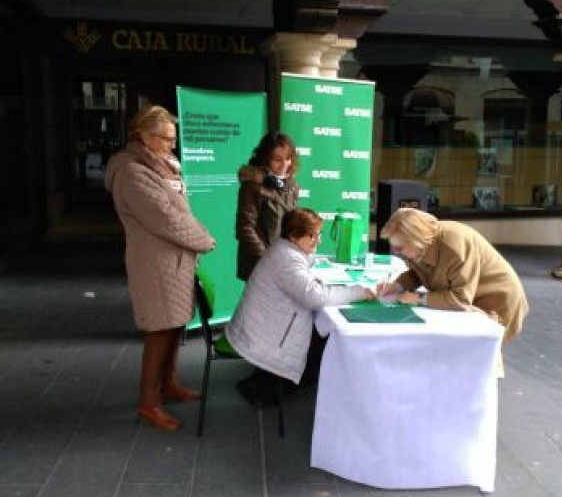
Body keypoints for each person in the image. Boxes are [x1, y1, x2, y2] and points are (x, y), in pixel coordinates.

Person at [104, 105, 216, 431]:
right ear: (143, 135)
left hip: (174, 261)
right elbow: (166, 219)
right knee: (161, 330)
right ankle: (148, 403)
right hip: (156, 264)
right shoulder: (133, 173)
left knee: (175, 325)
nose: (171, 145)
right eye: (165, 139)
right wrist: (204, 240)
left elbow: (179, 212)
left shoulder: (160, 166)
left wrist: (196, 237)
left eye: (173, 139)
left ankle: (170, 385)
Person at [225, 208, 375, 404]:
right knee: (329, 343)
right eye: (312, 236)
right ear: (294, 235)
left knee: (322, 334)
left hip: (258, 328)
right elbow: (315, 297)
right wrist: (360, 292)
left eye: (319, 234)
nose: (319, 241)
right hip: (262, 337)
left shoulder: (283, 248)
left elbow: (303, 268)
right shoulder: (287, 259)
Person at [376, 207, 529, 343]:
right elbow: (419, 273)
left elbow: (460, 298)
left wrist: (418, 298)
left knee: (480, 348)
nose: (396, 252)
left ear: (416, 239)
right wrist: (397, 286)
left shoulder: (454, 247)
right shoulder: (420, 246)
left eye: (399, 247)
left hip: (496, 297)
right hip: (470, 296)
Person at [235, 131, 299, 282]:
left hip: (283, 261)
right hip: (260, 264)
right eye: (277, 160)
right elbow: (245, 229)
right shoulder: (252, 186)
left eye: (288, 159)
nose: (284, 165)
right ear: (265, 160)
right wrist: (268, 256)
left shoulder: (292, 186)